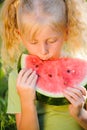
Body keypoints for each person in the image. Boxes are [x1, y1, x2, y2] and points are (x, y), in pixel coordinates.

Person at [1, 0, 87, 130]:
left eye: (52, 41)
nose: (43, 51)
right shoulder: (19, 79)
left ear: (66, 32)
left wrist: (80, 114)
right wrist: (26, 102)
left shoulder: (82, 70)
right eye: (34, 42)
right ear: (20, 36)